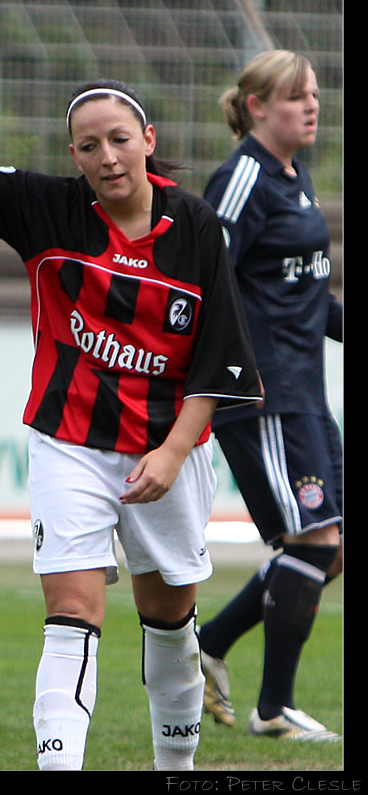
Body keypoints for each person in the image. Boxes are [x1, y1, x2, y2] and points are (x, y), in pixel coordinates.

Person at [0, 28, 263, 771]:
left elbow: (221, 356)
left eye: (118, 140)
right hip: (67, 440)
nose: (106, 156)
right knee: (70, 615)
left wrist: (172, 452)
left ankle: (178, 767)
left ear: (147, 139)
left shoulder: (195, 225)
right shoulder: (50, 211)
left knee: (170, 622)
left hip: (166, 450)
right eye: (88, 145)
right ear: (73, 155)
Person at [198, 50, 343, 741]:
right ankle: (273, 708)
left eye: (314, 94)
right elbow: (204, 281)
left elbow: (306, 293)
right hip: (265, 399)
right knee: (314, 542)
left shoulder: (293, 174)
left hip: (305, 393)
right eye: (296, 98)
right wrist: (218, 386)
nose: (311, 106)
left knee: (331, 547)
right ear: (257, 107)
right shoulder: (243, 179)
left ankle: (212, 643)